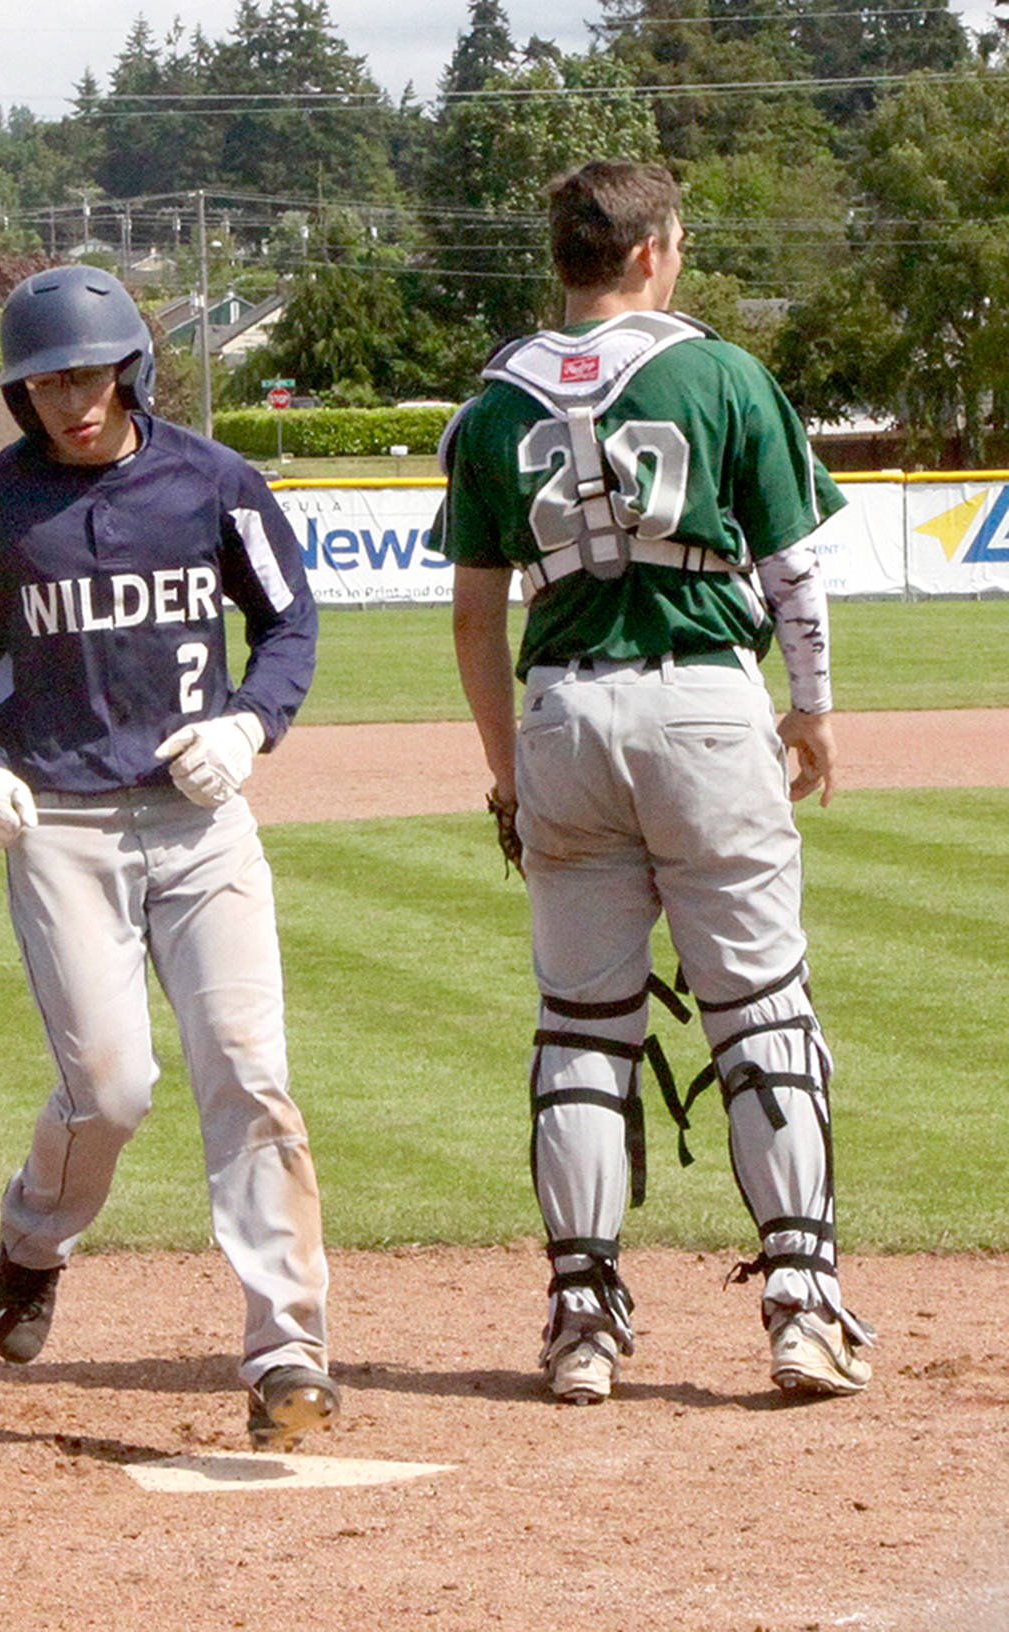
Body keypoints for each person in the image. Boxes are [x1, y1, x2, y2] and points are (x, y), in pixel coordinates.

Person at [435, 158, 873, 1405]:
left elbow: (473, 623)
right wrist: (816, 713)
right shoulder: (722, 372)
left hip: (563, 712)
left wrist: (506, 774)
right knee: (759, 1011)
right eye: (673, 237)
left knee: (580, 1027)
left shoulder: (489, 406)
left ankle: (581, 1322)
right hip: (700, 707)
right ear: (646, 251)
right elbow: (789, 574)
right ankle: (799, 1305)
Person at [0, 266, 338, 1451]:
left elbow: (287, 620)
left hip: (200, 821)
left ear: (129, 368)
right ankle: (34, 1239)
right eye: (43, 384)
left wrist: (249, 722)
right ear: (18, 396)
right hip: (62, 829)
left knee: (245, 1070)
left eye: (86, 376)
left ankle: (285, 1344)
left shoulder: (213, 482)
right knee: (111, 1087)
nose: (68, 402)